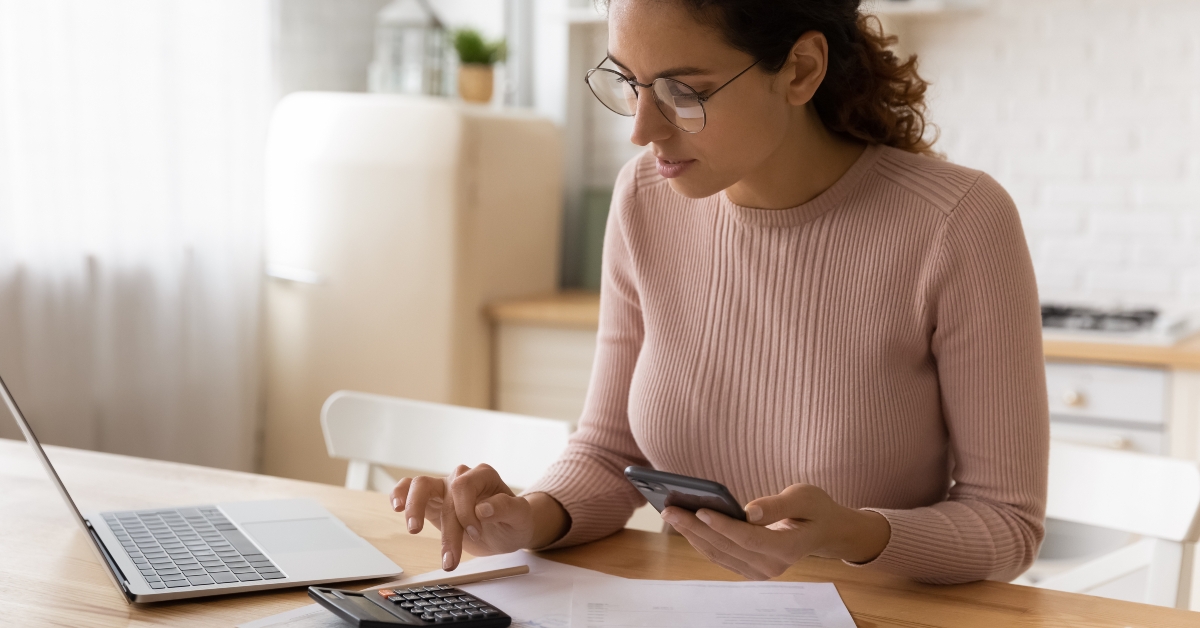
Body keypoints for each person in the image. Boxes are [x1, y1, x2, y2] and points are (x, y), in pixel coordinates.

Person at [391, 0, 1048, 585]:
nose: (642, 129)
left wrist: (850, 533)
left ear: (799, 70)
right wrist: (525, 518)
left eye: (683, 90)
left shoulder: (957, 221)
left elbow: (1006, 524)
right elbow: (610, 453)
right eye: (629, 82)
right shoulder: (644, 198)